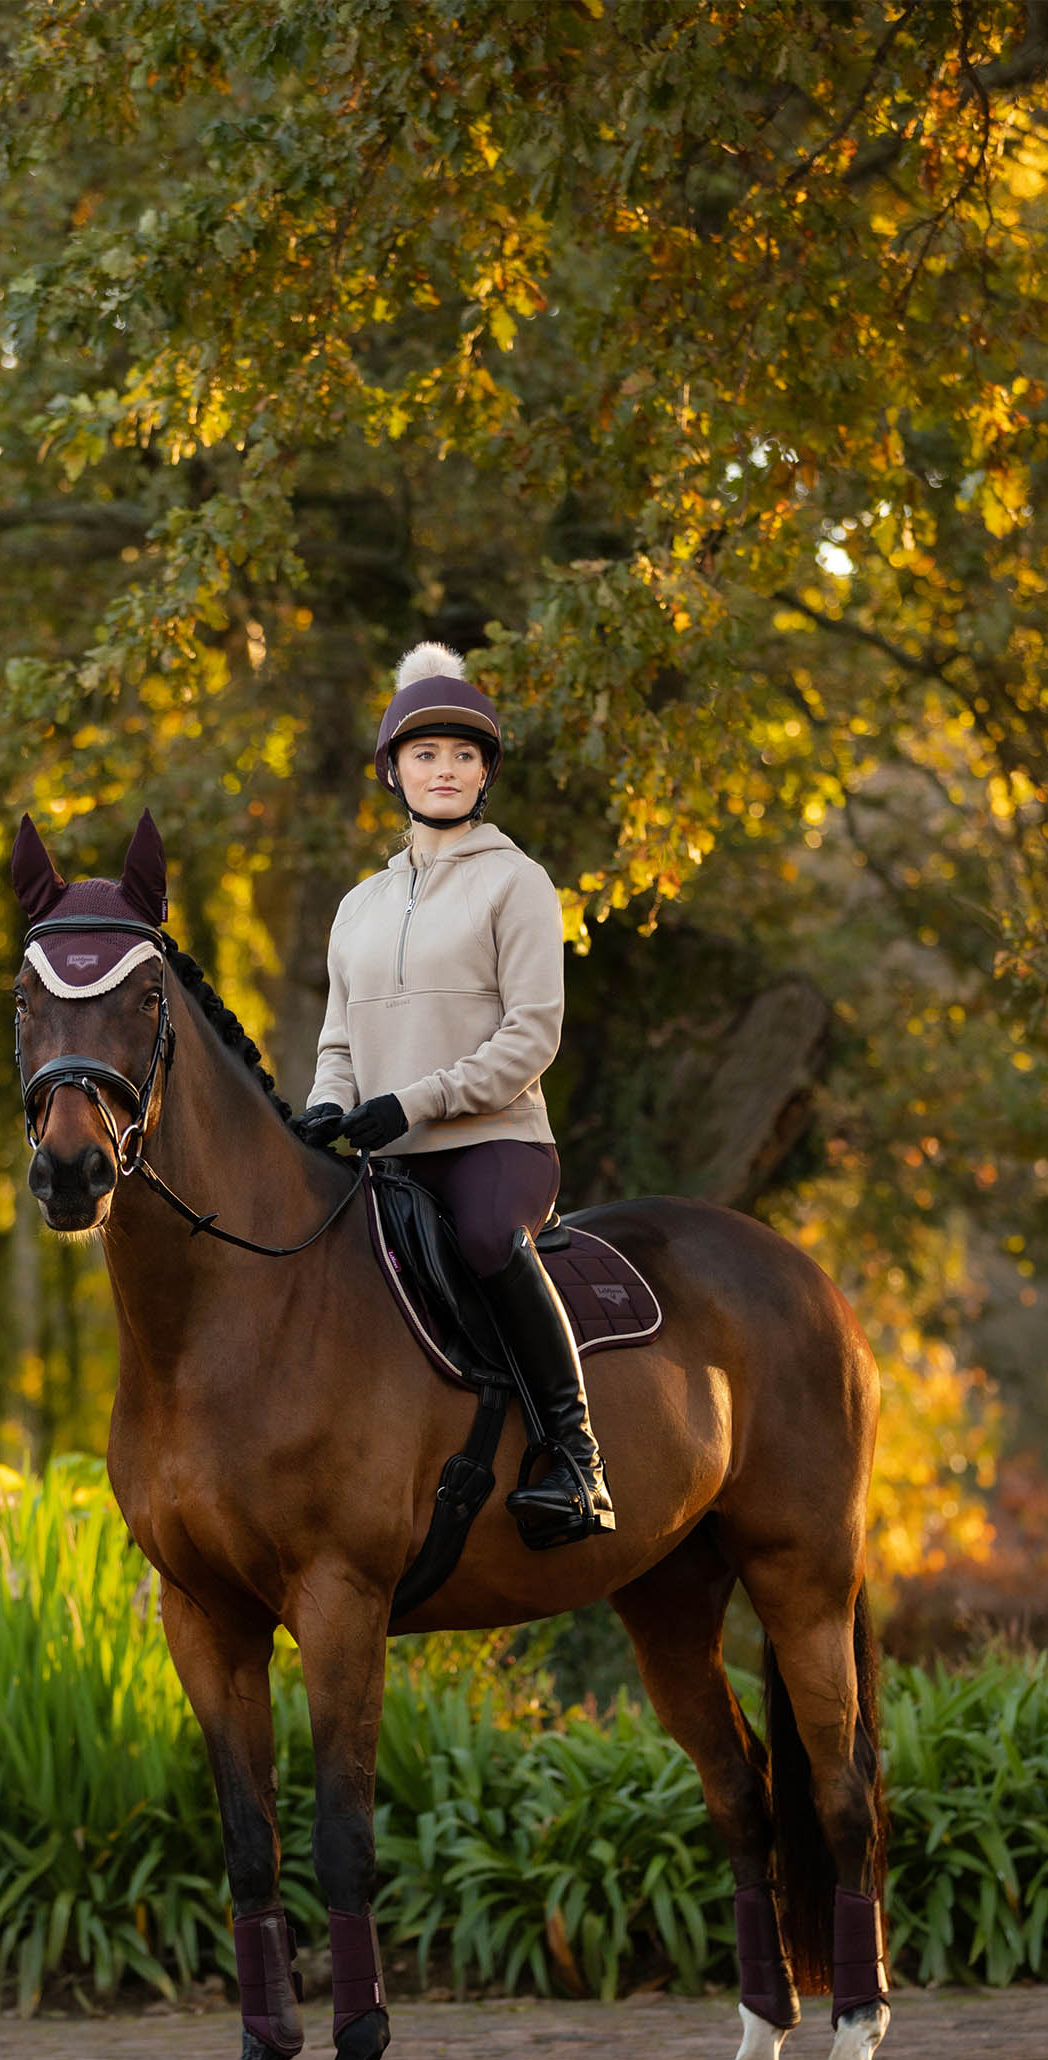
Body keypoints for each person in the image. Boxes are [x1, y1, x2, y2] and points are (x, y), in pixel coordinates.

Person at [293, 643, 615, 1548]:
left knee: (485, 1240)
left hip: (494, 1145)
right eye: (426, 755)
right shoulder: (358, 904)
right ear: (394, 772)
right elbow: (339, 1038)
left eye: (465, 756)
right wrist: (328, 1105)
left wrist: (417, 1101)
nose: (447, 770)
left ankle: (576, 1456)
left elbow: (531, 1035)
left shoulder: (517, 882)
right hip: (386, 1151)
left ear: (486, 774)